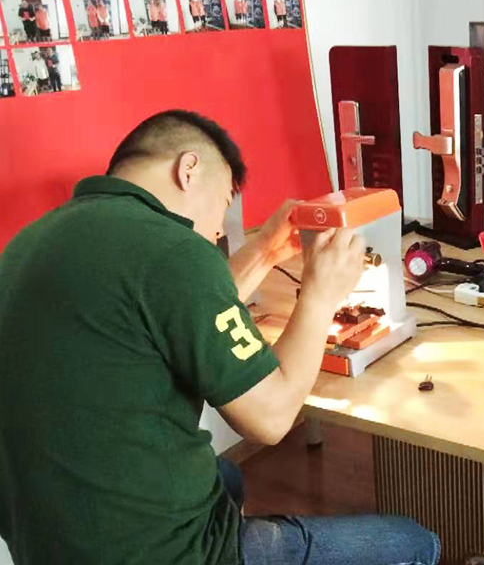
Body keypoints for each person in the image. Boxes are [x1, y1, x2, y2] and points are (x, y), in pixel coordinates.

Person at [0, 110, 441, 565]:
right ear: (188, 169)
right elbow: (272, 418)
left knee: (228, 476)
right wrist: (320, 294)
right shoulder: (172, 247)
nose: (216, 229)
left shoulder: (32, 241)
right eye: (224, 200)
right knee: (414, 543)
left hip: (45, 541)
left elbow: (179, 310)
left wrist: (266, 249)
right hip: (153, 553)